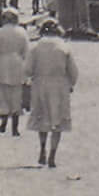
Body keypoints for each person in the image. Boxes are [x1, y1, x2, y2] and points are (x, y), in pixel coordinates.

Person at [25, 19, 78, 168]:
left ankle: (42, 148)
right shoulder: (64, 47)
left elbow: (27, 69)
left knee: (42, 118)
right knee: (58, 120)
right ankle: (52, 155)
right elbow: (73, 71)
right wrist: (70, 84)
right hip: (59, 85)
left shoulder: (35, 47)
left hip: (40, 84)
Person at [0, 11, 32, 136]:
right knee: (16, 95)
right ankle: (15, 127)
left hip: (2, 64)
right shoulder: (22, 32)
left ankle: (4, 121)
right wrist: (29, 70)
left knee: (3, 95)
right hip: (17, 64)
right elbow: (27, 52)